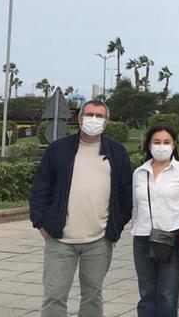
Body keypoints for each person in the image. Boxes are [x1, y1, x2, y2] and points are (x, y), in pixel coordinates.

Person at [29, 100, 133, 317]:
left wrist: (114, 228)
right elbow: (40, 188)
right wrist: (41, 223)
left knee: (93, 295)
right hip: (60, 240)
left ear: (106, 121)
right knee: (54, 296)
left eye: (99, 116)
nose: (93, 119)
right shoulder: (58, 149)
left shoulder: (116, 152)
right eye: (89, 114)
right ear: (79, 118)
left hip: (99, 241)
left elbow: (125, 195)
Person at [131, 125, 179, 317]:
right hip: (143, 237)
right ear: (149, 145)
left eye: (166, 142)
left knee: (167, 295)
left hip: (172, 238)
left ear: (174, 145)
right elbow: (136, 208)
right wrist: (136, 228)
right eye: (157, 142)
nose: (161, 146)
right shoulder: (139, 172)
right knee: (146, 294)